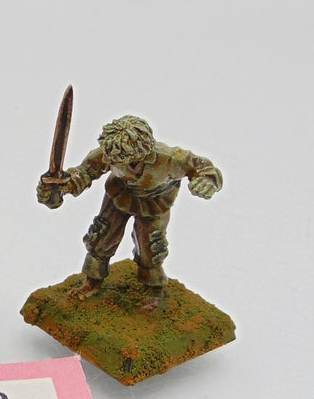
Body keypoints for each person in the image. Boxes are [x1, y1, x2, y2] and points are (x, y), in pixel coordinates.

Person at [37, 114, 221, 310]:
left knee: (151, 245)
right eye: (113, 158)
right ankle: (93, 280)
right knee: (101, 236)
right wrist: (62, 185)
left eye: (122, 159)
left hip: (155, 201)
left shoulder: (171, 159)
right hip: (119, 195)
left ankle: (154, 288)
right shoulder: (108, 152)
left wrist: (206, 181)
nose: (114, 162)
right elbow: (85, 172)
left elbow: (204, 168)